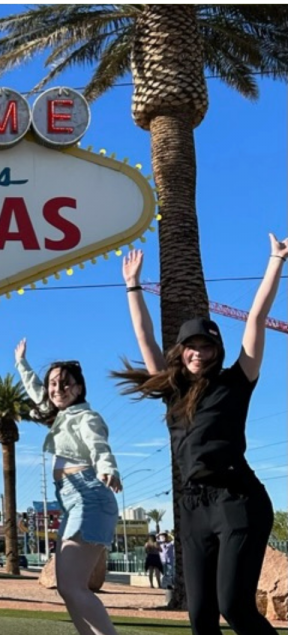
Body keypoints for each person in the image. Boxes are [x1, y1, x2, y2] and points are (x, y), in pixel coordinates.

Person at [114, 240, 286, 635]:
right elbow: (145, 337)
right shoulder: (172, 390)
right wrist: (133, 286)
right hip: (192, 507)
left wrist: (275, 261)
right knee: (200, 615)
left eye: (206, 346)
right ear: (182, 351)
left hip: (236, 498)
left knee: (235, 606)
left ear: (217, 350)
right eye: (192, 346)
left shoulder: (236, 381)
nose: (199, 353)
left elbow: (256, 319)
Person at [16, 339, 121, 635]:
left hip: (90, 495)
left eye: (64, 384)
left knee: (75, 587)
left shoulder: (86, 417)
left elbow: (98, 445)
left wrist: (108, 469)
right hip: (73, 500)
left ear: (79, 387)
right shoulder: (61, 416)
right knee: (66, 588)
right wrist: (22, 363)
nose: (56, 389)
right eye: (53, 384)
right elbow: (38, 395)